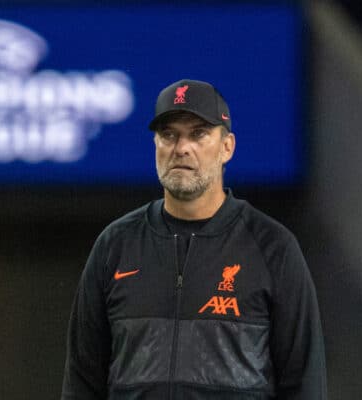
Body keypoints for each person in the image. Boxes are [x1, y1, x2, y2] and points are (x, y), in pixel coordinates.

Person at [61, 79, 327, 399]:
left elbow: (305, 385)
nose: (181, 147)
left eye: (198, 134)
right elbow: (82, 381)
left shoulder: (272, 248)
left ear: (227, 147)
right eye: (168, 134)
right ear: (156, 145)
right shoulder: (115, 245)